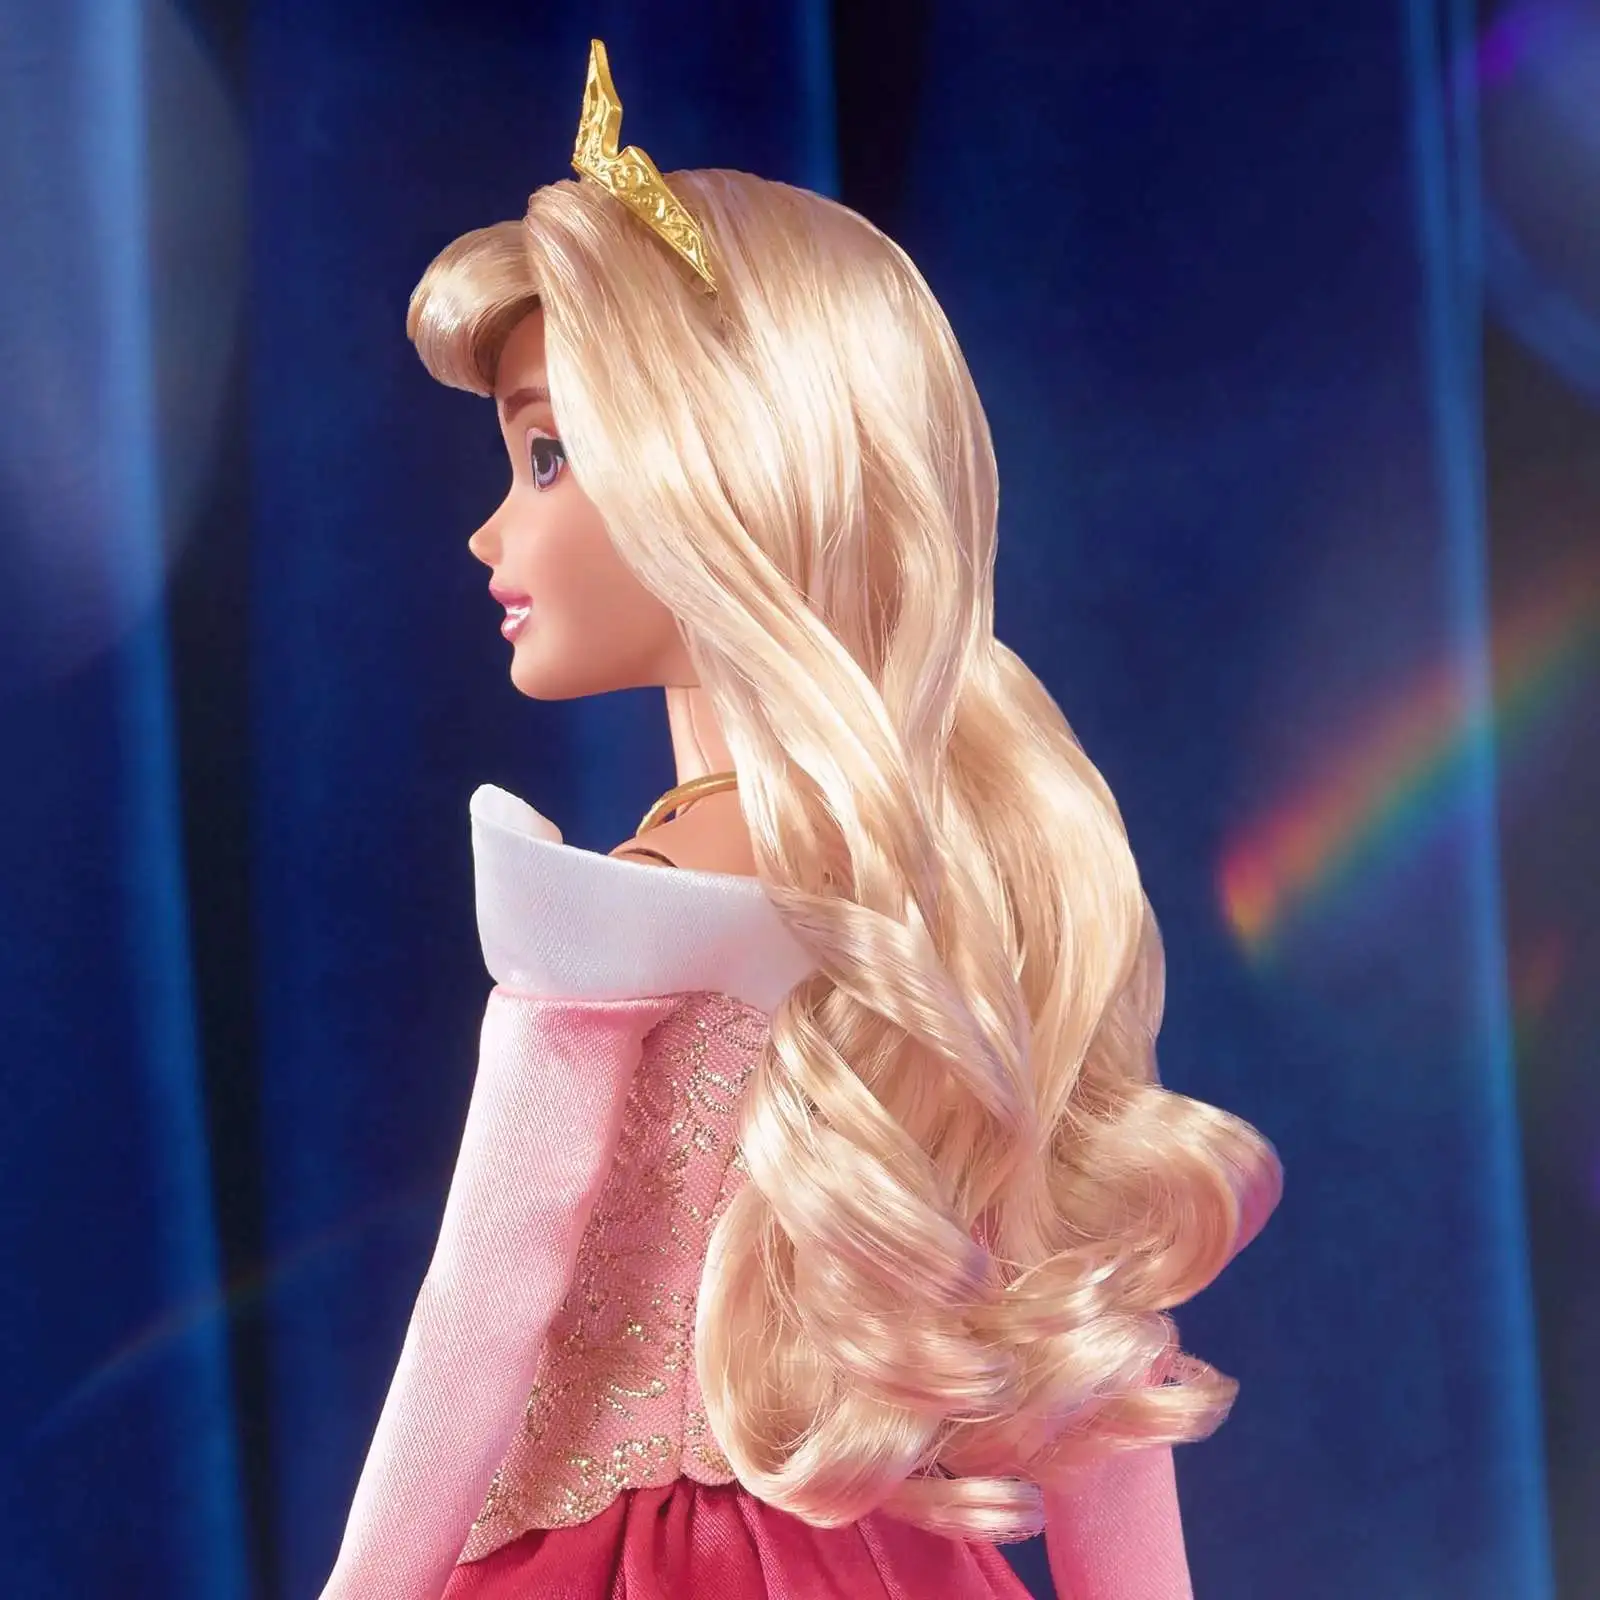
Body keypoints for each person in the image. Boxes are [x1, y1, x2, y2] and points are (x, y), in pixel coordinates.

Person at [318, 39, 1281, 1600]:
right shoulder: (966, 884)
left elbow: (481, 1313)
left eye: (549, 455)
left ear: (723, 473)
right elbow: (1095, 1353)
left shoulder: (614, 916)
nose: (492, 528)